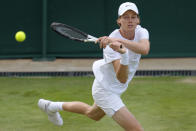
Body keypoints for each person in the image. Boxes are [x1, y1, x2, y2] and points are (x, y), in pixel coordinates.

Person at [38, 2, 150, 131]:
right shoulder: (110, 45)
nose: (130, 20)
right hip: (105, 90)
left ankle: (51, 107)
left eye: (133, 16)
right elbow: (122, 78)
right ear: (119, 20)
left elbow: (144, 49)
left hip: (117, 88)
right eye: (125, 17)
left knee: (92, 114)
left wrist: (120, 42)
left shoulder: (141, 32)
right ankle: (52, 107)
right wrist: (123, 53)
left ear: (138, 20)